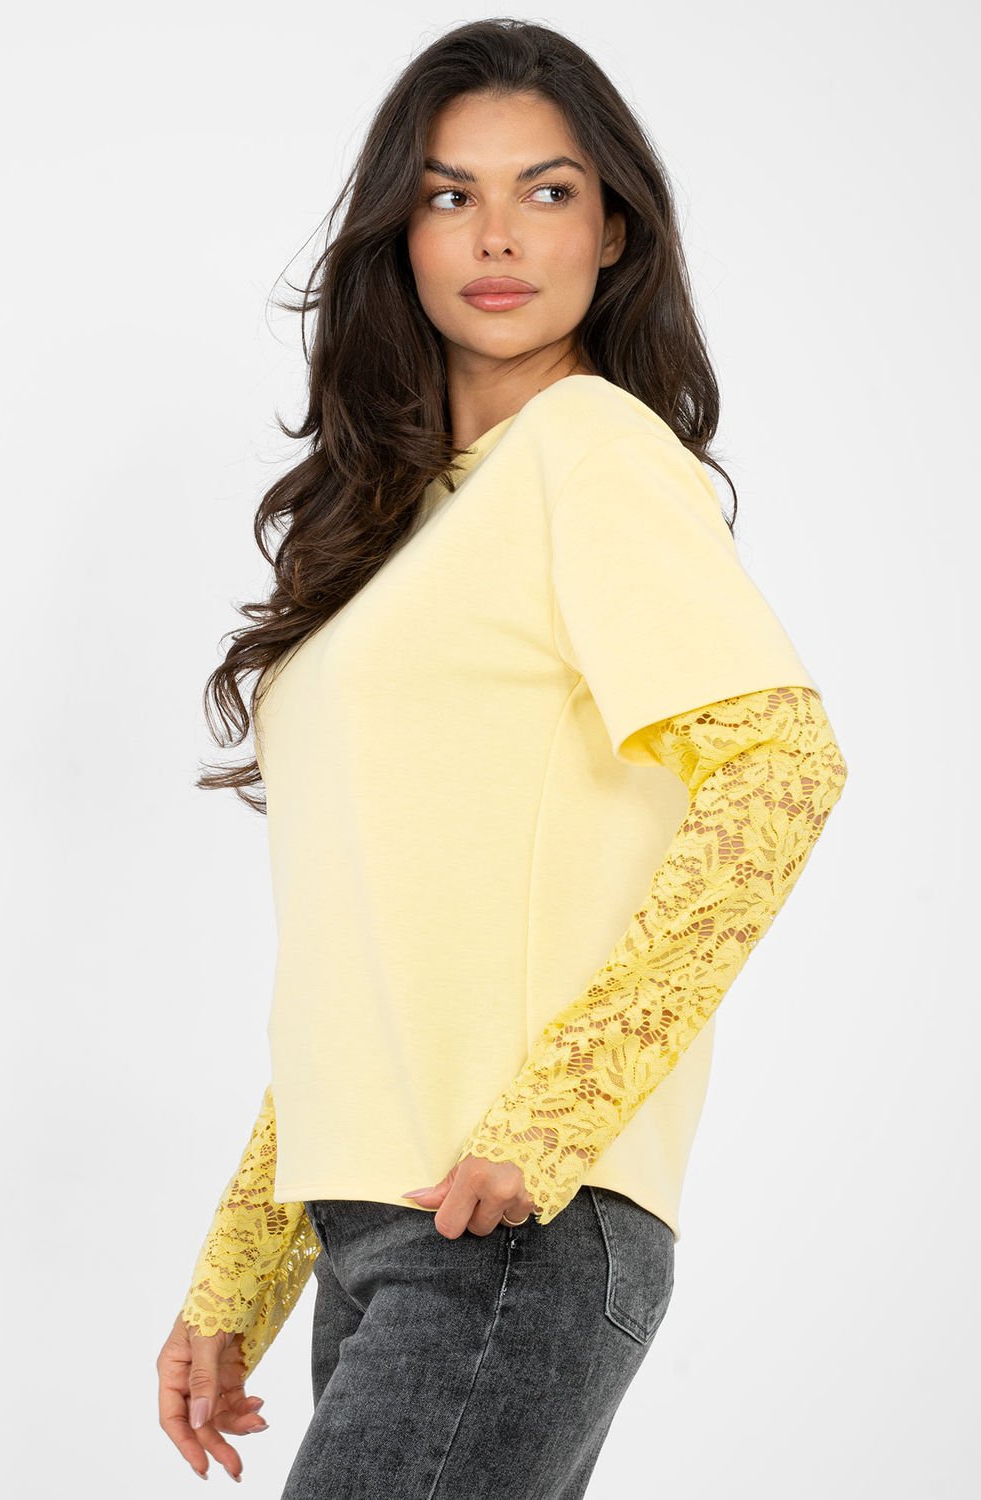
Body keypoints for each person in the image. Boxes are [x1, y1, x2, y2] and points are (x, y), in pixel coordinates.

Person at [156, 18, 848, 1497]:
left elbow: (780, 769)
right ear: (397, 233)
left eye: (547, 190)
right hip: (382, 1223)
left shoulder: (591, 449)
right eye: (447, 193)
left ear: (614, 231)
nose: (497, 234)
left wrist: (554, 1123)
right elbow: (373, 958)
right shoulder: (402, 532)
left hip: (511, 1221)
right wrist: (240, 1277)